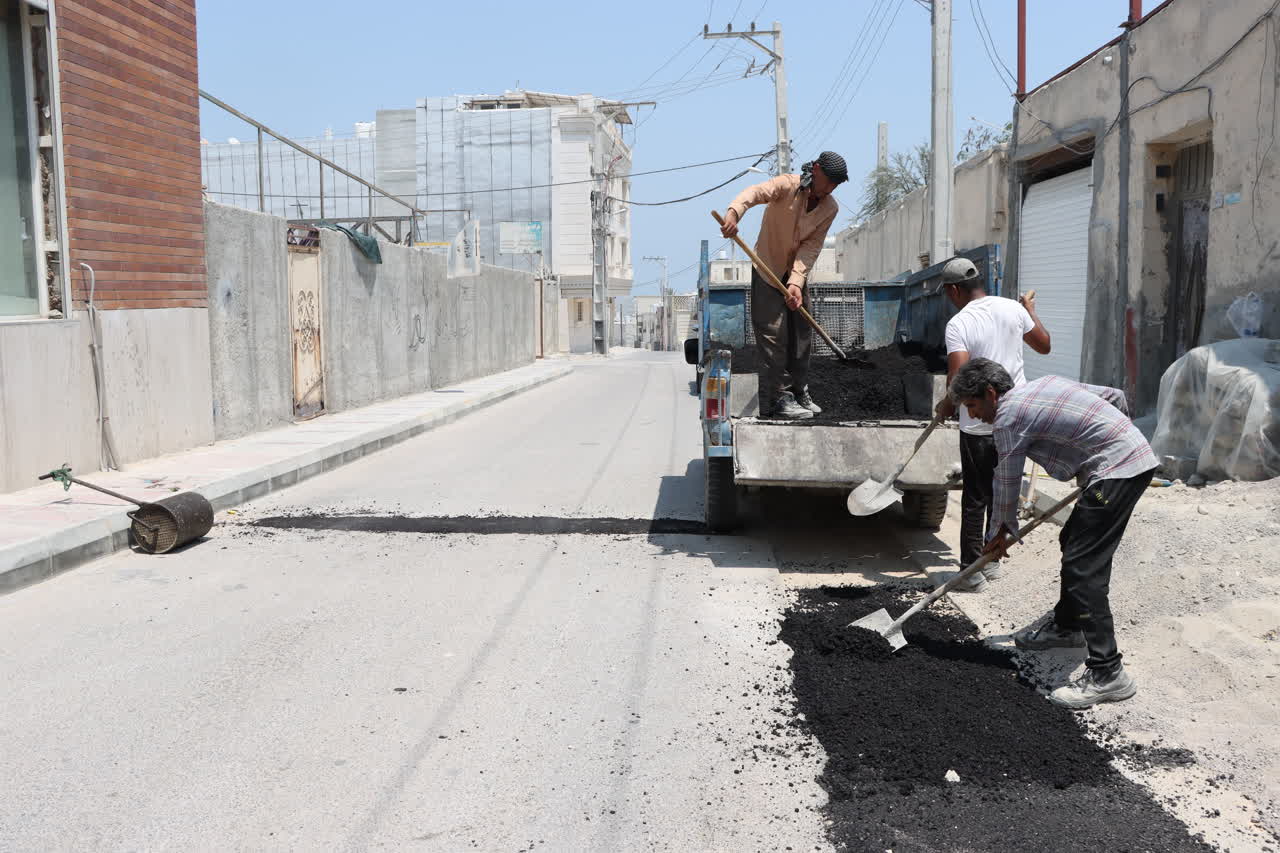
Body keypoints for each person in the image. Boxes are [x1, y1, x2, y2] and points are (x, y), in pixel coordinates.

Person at [948, 358, 1159, 708]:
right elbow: (1115, 397)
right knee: (1071, 541)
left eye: (972, 405)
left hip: (1117, 472)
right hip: (1123, 461)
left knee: (1083, 567)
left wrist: (1000, 533)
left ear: (991, 393)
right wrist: (1115, 440)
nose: (973, 415)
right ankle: (1068, 626)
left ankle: (1108, 673)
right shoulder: (1042, 384)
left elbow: (1007, 479)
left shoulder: (1007, 418)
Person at [933, 258, 1051, 591]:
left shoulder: (960, 323)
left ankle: (971, 572)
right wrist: (1029, 311)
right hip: (1016, 418)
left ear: (953, 290)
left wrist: (946, 405)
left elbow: (957, 378)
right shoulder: (1013, 309)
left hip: (978, 424)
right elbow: (1044, 345)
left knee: (976, 497)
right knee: (1004, 491)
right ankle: (992, 562)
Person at [720, 151, 848, 419]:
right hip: (767, 269)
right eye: (829, 181)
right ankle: (781, 397)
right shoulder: (787, 185)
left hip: (795, 275)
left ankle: (800, 391)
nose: (831, 189)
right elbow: (755, 192)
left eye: (836, 185)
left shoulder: (830, 208)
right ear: (816, 170)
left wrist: (796, 283)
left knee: (802, 333)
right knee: (774, 335)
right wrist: (734, 213)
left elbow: (811, 247)